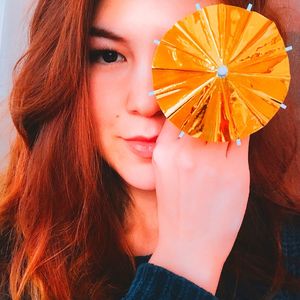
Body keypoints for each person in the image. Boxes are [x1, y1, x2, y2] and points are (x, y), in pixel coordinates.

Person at [0, 0, 299, 299]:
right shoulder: (10, 259)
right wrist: (184, 264)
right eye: (108, 56)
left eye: (187, 58)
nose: (145, 103)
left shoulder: (291, 253)